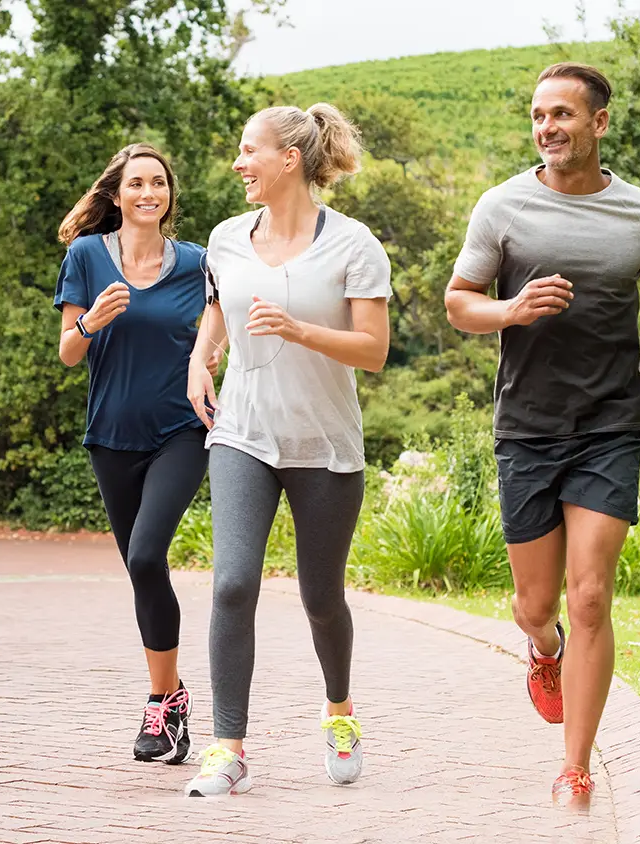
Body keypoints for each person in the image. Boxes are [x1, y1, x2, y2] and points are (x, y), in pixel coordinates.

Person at [445, 62, 640, 805]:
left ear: (599, 123)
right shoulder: (501, 207)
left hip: (610, 420)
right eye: (537, 116)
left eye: (562, 115)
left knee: (590, 596)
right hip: (526, 424)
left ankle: (575, 768)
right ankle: (541, 651)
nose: (547, 127)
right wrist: (511, 310)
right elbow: (459, 302)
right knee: (536, 605)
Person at [183, 103, 391, 797]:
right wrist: (199, 361)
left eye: (249, 151)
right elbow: (216, 311)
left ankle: (339, 711)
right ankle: (226, 747)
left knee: (321, 597)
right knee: (233, 582)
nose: (238, 164)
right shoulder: (225, 238)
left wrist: (301, 331)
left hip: (325, 446)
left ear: (288, 160)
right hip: (242, 434)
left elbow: (374, 350)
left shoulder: (353, 244)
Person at [55, 143, 219, 766]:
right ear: (117, 194)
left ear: (169, 195)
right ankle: (174, 700)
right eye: (136, 184)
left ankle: (158, 702)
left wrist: (207, 358)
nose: (148, 193)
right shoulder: (87, 257)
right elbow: (69, 351)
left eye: (158, 183)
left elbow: (219, 322)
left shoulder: (198, 262)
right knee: (141, 569)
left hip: (183, 429)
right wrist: (92, 320)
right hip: (111, 436)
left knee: (148, 551)